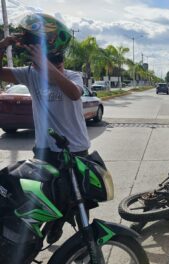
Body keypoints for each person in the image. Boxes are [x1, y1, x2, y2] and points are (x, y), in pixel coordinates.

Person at [0, 13, 90, 243]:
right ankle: (37, 237)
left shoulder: (73, 76)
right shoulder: (30, 75)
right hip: (45, 152)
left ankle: (84, 243)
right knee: (40, 200)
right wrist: (4, 44)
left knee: (79, 201)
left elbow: (73, 92)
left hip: (76, 151)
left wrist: (46, 66)